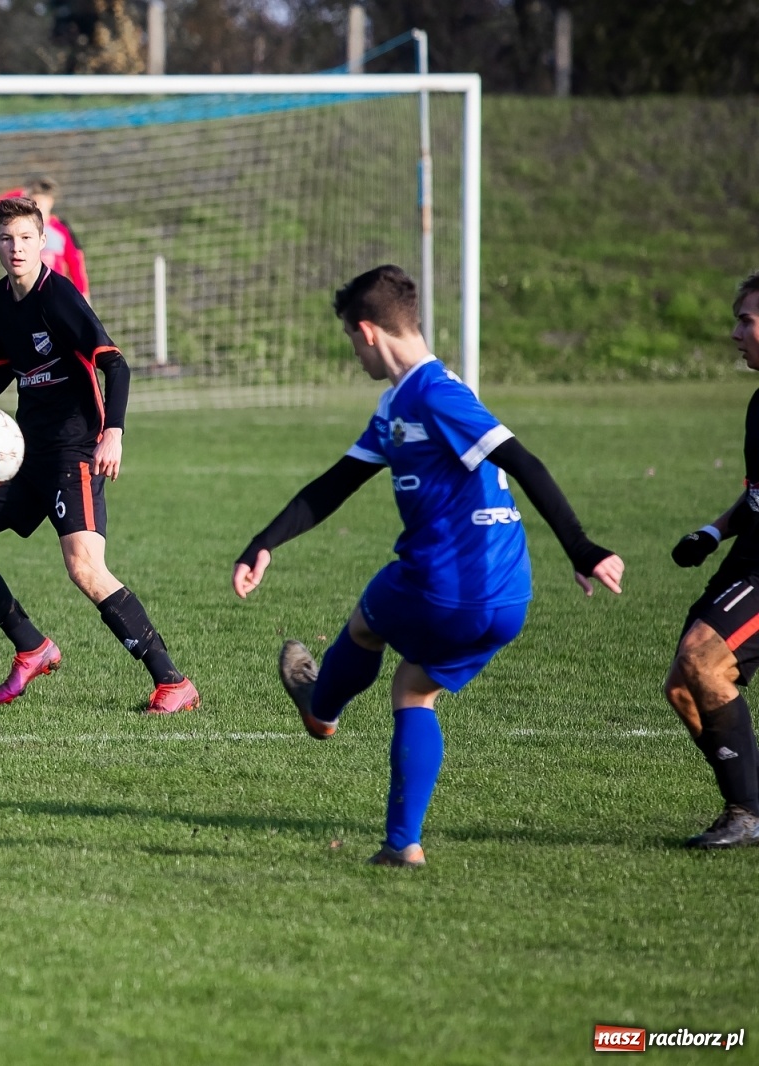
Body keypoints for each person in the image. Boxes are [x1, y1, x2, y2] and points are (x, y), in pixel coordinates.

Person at [233, 265, 623, 866]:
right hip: (508, 598)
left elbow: (525, 461)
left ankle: (319, 708)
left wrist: (582, 545)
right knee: (414, 689)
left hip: (442, 584)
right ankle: (401, 846)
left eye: (348, 339)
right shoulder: (401, 402)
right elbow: (336, 484)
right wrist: (266, 539)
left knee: (366, 625)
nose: (352, 352)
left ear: (367, 331)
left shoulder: (436, 394)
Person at [0, 196, 198, 714]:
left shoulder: (60, 297)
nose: (16, 248)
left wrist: (113, 433)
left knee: (85, 567)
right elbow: (4, 368)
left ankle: (172, 681)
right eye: (7, 238)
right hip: (21, 453)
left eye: (27, 238)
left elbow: (116, 365)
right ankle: (32, 647)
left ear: (42, 242)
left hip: (73, 450)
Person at [663, 270, 759, 848]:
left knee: (704, 661)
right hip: (747, 554)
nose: (734, 332)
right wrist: (711, 531)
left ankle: (747, 813)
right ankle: (751, 804)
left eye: (746, 320)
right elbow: (756, 495)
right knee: (683, 685)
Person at [0, 177, 90, 298]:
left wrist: (83, 294)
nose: (38, 207)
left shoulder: (61, 229)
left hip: (54, 293)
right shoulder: (20, 228)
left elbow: (75, 262)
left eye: (41, 203)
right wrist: (23, 193)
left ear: (50, 202)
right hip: (25, 292)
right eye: (33, 202)